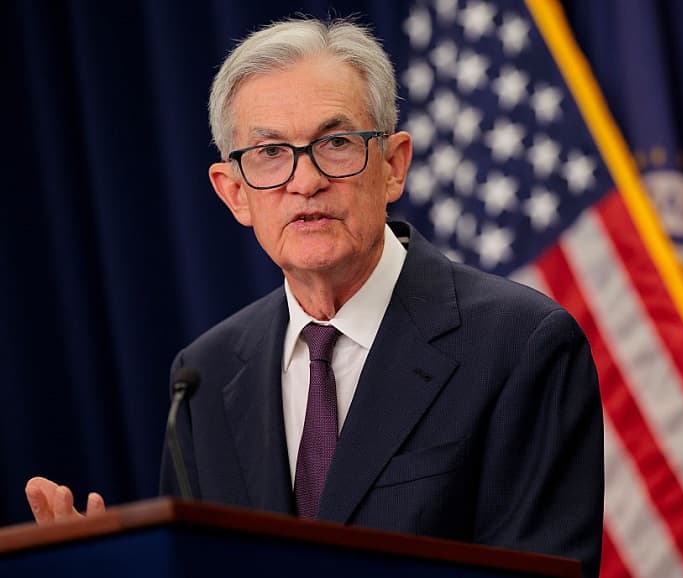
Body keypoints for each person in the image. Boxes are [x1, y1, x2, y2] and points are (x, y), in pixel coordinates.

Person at [25, 17, 604, 577]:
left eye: (336, 142)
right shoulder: (203, 375)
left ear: (394, 166)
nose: (305, 181)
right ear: (235, 194)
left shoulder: (521, 345)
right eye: (270, 152)